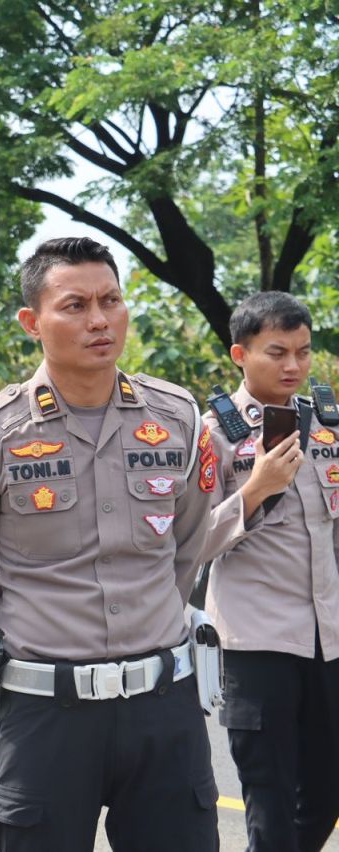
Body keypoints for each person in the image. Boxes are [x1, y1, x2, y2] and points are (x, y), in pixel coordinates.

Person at [0, 237, 218, 851]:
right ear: (32, 322)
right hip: (47, 718)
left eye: (111, 300)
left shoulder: (177, 419)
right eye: (75, 305)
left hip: (164, 708)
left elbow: (188, 548)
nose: (99, 319)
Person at [198, 291, 339, 851]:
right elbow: (191, 543)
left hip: (328, 641)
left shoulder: (326, 426)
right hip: (256, 646)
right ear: (240, 353)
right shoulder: (214, 434)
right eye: (277, 352)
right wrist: (254, 491)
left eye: (303, 352)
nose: (293, 367)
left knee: (327, 792)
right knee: (271, 801)